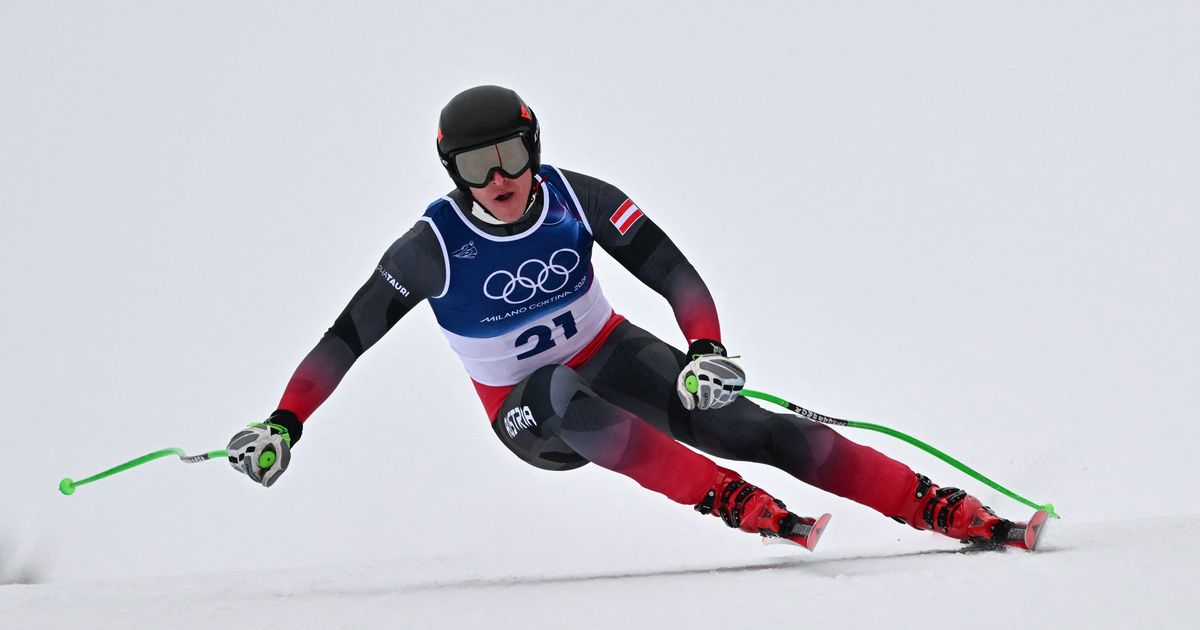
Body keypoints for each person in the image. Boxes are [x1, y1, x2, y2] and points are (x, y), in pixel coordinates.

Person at [225, 85, 1023, 550]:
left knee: (756, 426)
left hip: (615, 355)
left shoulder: (577, 198)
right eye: (477, 165)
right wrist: (283, 424)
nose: (499, 176)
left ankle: (944, 509)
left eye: (510, 154)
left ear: (532, 146)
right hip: (527, 412)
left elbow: (671, 269)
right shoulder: (433, 245)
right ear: (453, 172)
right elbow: (346, 338)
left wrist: (704, 347)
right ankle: (736, 503)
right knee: (562, 392)